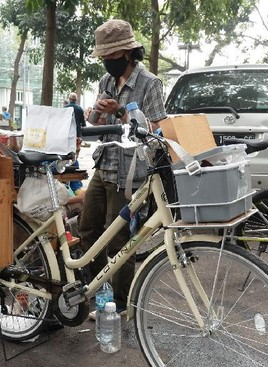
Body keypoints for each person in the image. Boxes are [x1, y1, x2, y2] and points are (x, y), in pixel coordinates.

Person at [78, 19, 167, 318]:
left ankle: (120, 303)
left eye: (111, 58)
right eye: (103, 58)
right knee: (87, 228)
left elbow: (155, 129)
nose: (106, 63)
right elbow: (94, 123)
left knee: (120, 241)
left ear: (128, 53)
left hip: (129, 175)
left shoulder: (150, 83)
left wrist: (119, 111)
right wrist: (97, 112)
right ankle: (96, 289)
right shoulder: (106, 82)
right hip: (103, 166)